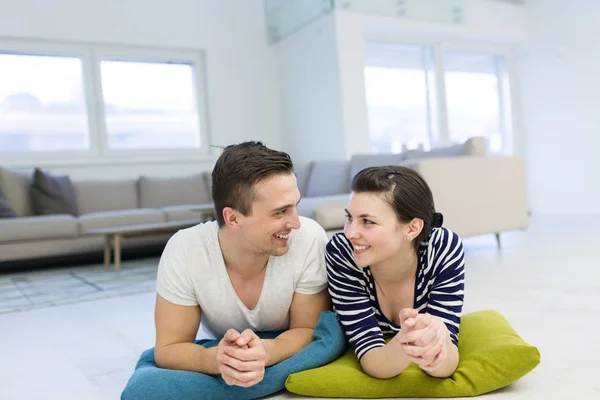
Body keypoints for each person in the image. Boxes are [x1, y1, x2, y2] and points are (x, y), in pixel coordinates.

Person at [154, 141, 330, 388]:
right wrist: (217, 358)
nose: (296, 222)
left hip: (282, 344)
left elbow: (308, 328)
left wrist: (268, 352)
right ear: (233, 218)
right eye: (280, 212)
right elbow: (168, 348)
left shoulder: (309, 238)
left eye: (295, 206)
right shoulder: (185, 249)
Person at [326, 166, 465, 379]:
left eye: (367, 221)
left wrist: (438, 337)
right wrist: (407, 339)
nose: (350, 233)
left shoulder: (443, 247)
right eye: (349, 218)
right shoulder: (343, 252)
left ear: (412, 229)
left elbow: (445, 366)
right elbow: (373, 360)